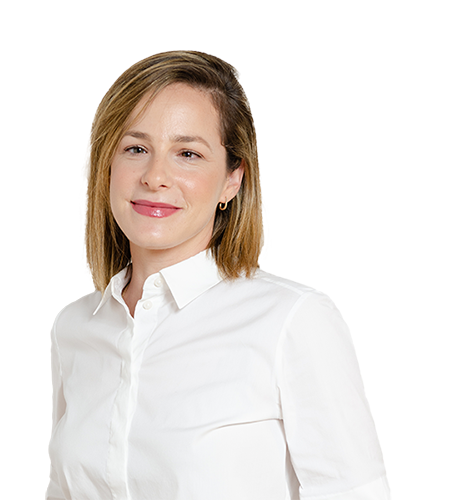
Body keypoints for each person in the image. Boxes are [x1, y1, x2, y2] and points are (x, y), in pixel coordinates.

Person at [46, 51, 391, 500]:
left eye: (188, 153)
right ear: (107, 165)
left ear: (232, 179)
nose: (155, 176)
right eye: (136, 149)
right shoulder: (75, 328)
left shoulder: (291, 322)